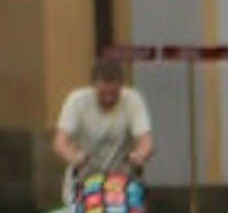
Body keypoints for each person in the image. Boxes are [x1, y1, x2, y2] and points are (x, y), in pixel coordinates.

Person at [53, 40, 156, 202]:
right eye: (102, 94)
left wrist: (139, 155)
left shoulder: (132, 100)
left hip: (121, 179)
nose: (108, 99)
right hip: (83, 178)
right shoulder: (77, 101)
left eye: (113, 94)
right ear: (93, 86)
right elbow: (60, 142)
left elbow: (146, 141)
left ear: (121, 86)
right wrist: (74, 157)